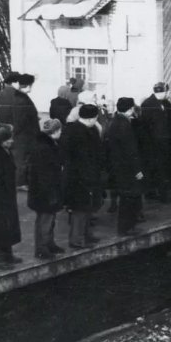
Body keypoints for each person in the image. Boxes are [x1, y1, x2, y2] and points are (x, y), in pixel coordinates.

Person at [63, 104, 105, 248]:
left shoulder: (79, 129)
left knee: (88, 207)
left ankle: (86, 235)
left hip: (86, 175)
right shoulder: (79, 132)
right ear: (91, 118)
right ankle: (77, 240)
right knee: (79, 209)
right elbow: (79, 158)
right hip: (79, 178)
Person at [27, 119, 66, 259]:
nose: (61, 132)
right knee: (45, 219)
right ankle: (42, 248)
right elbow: (45, 173)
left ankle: (49, 244)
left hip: (44, 190)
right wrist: (50, 193)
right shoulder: (46, 148)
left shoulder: (43, 145)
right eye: (59, 130)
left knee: (48, 218)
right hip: (46, 191)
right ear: (54, 132)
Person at [105, 98, 144, 237]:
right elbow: (130, 150)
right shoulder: (125, 125)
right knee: (129, 197)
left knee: (125, 197)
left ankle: (127, 227)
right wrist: (137, 170)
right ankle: (126, 228)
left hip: (118, 165)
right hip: (127, 168)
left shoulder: (115, 122)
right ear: (130, 109)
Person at [0, 124, 22, 270]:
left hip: (6, 196)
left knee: (7, 225)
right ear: (1, 140)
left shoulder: (4, 151)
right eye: (8, 138)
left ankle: (7, 254)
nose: (12, 141)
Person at [139, 82, 171, 203]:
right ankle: (159, 194)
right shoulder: (148, 104)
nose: (168, 94)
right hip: (153, 142)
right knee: (156, 168)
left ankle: (159, 192)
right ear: (163, 92)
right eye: (167, 92)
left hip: (163, 140)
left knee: (161, 167)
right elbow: (144, 125)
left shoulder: (164, 102)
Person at [11, 73, 40, 189]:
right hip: (24, 134)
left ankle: (22, 181)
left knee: (23, 157)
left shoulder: (20, 98)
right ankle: (20, 182)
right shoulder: (22, 100)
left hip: (25, 133)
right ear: (27, 86)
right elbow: (21, 120)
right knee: (22, 158)